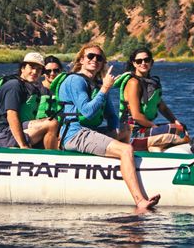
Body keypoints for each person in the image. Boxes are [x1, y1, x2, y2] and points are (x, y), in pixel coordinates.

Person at [58, 43, 161, 209]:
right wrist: (105, 89)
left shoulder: (97, 84)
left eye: (99, 58)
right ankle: (140, 201)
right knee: (126, 150)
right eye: (90, 56)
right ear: (82, 60)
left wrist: (114, 132)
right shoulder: (75, 81)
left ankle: (128, 166)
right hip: (74, 134)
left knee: (125, 128)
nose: (95, 60)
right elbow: (87, 112)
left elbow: (112, 115)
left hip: (89, 132)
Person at [117, 47, 190, 151]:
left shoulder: (150, 83)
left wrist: (175, 121)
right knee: (173, 130)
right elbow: (136, 116)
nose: (143, 63)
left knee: (180, 127)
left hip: (144, 129)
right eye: (139, 61)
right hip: (131, 133)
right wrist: (155, 128)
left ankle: (155, 149)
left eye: (146, 60)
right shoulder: (133, 83)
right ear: (134, 63)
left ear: (151, 62)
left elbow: (162, 107)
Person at [0, 52, 59, 149]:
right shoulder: (14, 86)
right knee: (52, 123)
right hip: (5, 135)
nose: (35, 72)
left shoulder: (30, 87)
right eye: (31, 67)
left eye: (39, 69)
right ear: (22, 68)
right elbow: (12, 116)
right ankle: (51, 158)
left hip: (19, 131)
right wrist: (24, 146)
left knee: (54, 124)